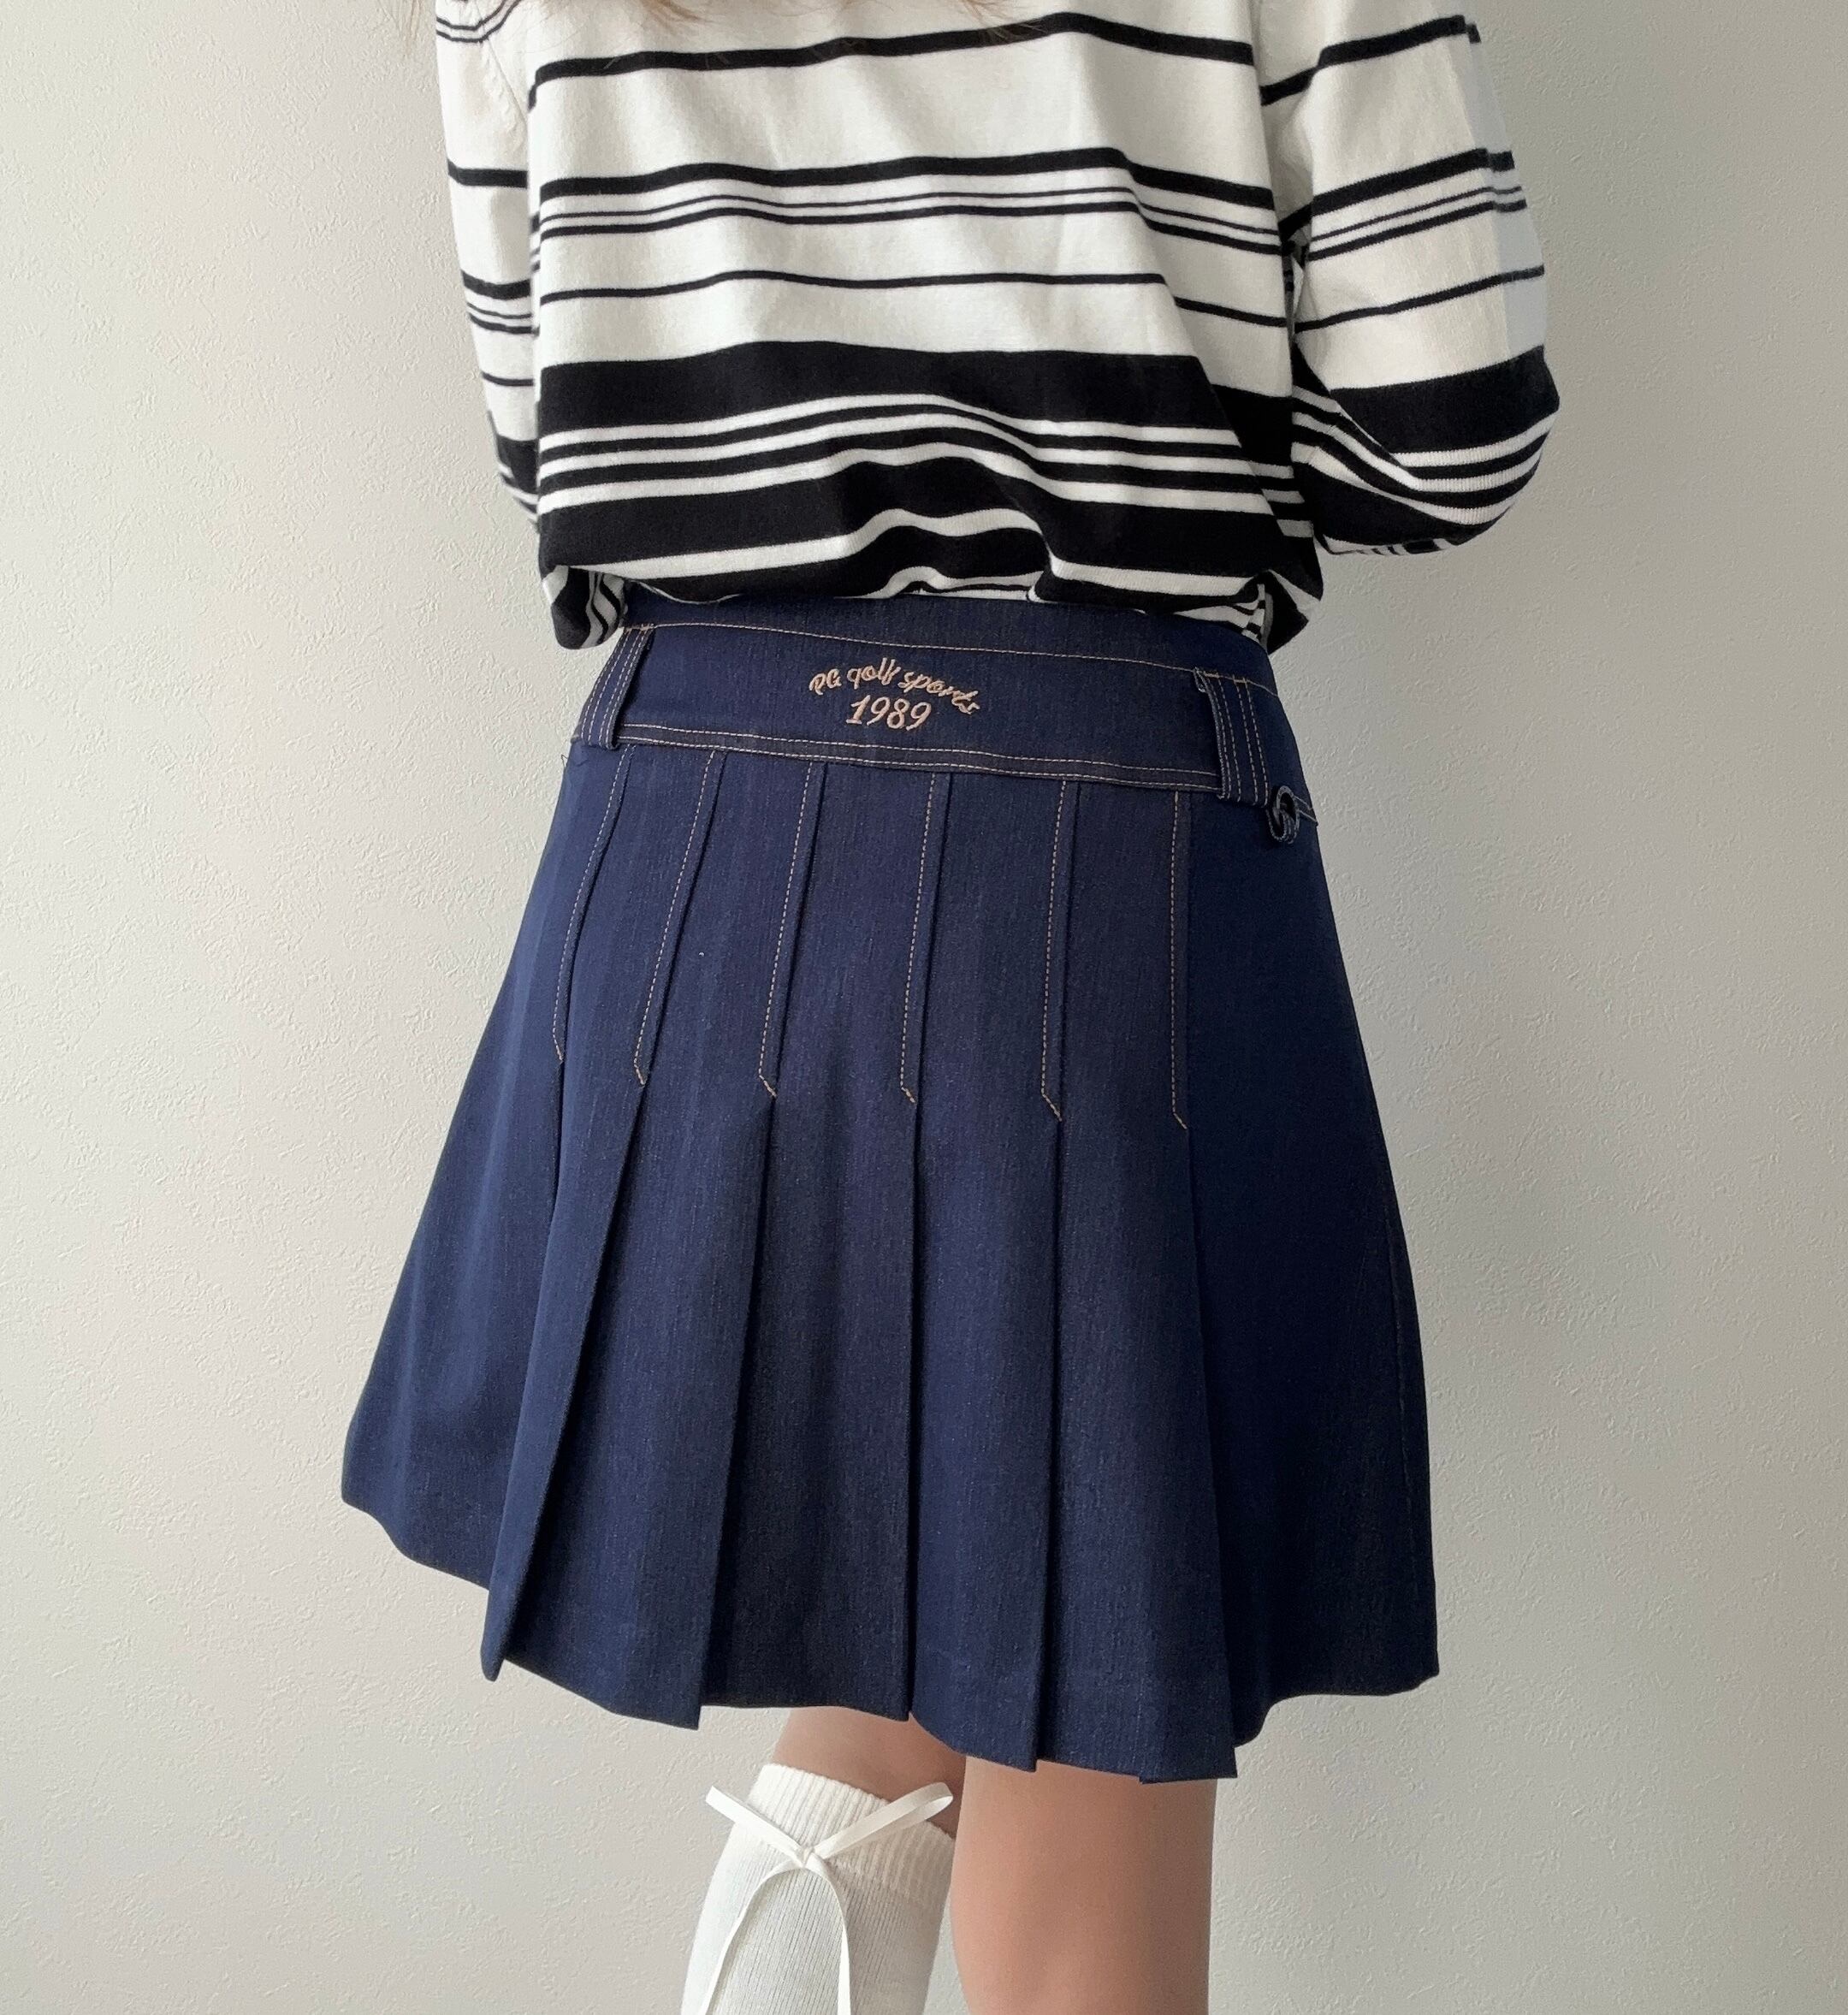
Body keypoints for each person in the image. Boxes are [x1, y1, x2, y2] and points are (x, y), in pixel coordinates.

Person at [341, 2, 1559, 2008]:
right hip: (1089, 859)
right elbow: (1452, 424)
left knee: (898, 1678)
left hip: (685, 847)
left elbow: (548, 424)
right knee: (1076, 1756)